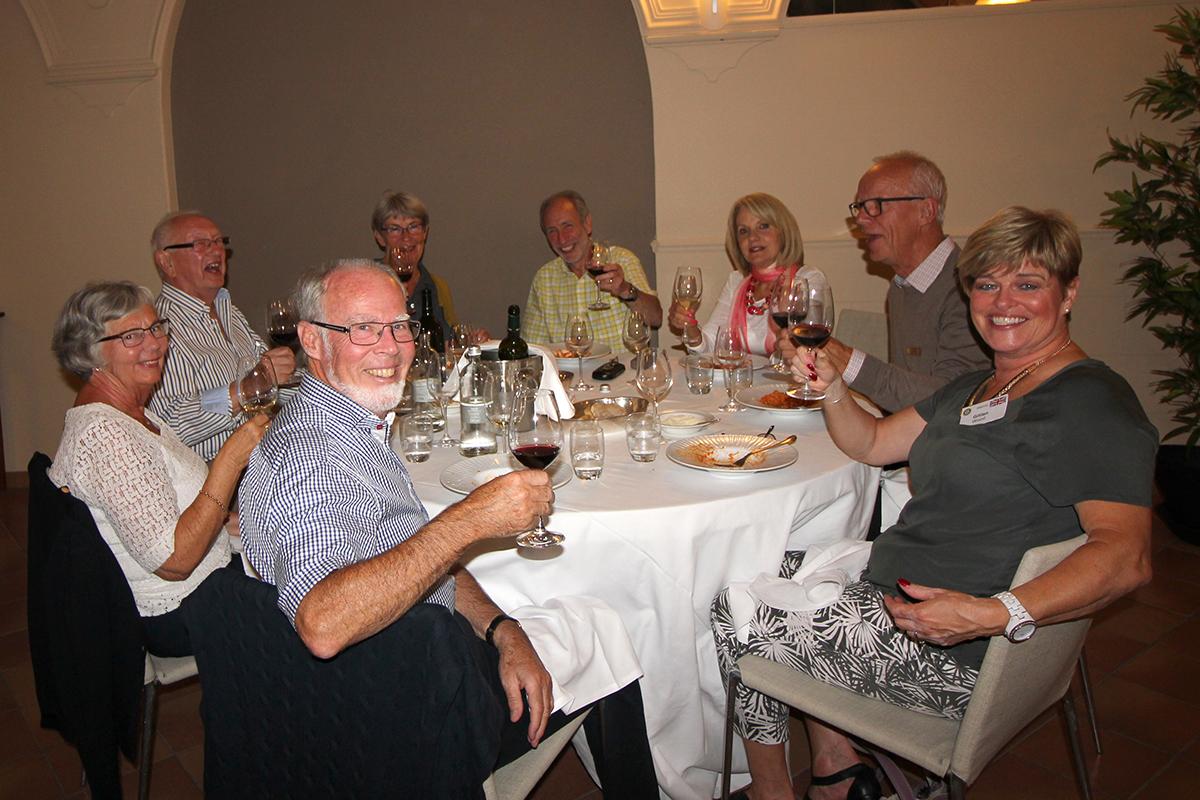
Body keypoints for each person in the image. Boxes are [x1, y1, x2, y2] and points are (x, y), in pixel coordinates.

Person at [713, 207, 1157, 800]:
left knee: (734, 614)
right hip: (900, 587)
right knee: (745, 574)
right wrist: (834, 389)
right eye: (986, 283)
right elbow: (871, 442)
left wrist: (994, 612)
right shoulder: (981, 384)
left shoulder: (1091, 401)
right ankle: (838, 770)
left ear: (1069, 292)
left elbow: (1125, 556)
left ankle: (786, 790)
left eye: (1028, 284)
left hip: (957, 645)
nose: (1004, 301)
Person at [238, 259, 657, 797]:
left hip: (403, 676)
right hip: (398, 722)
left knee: (554, 621)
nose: (390, 348)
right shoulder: (311, 457)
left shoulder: (348, 426)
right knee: (599, 623)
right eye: (363, 328)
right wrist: (470, 520)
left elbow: (411, 555)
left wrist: (501, 630)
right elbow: (322, 625)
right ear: (312, 341)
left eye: (399, 326)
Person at [49, 281, 268, 656]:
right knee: (314, 601)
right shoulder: (105, 434)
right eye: (131, 336)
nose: (154, 344)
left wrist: (248, 523)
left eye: (155, 328)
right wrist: (231, 461)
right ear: (91, 354)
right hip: (180, 608)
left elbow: (178, 506)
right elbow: (175, 561)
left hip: (209, 577)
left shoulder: (134, 413)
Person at [785, 152, 990, 413]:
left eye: (876, 205)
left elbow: (952, 403)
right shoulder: (901, 286)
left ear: (926, 211)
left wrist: (849, 362)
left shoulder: (971, 289)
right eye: (859, 207)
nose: (860, 219)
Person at [148, 211, 294, 462]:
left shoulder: (229, 311)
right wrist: (244, 390)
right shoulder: (160, 327)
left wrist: (324, 377)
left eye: (219, 242)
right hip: (211, 481)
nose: (216, 251)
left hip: (263, 459)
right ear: (166, 261)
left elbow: (269, 385)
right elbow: (168, 423)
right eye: (200, 244)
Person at [668, 192, 827, 357]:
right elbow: (713, 345)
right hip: (742, 380)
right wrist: (689, 327)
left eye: (763, 226)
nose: (753, 237)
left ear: (783, 232)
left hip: (793, 380)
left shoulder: (807, 279)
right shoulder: (736, 280)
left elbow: (806, 346)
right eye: (743, 231)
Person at [523, 190, 662, 352]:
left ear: (587, 223)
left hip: (623, 373)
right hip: (570, 375)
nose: (561, 239)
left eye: (567, 226)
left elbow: (655, 318)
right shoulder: (544, 278)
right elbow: (533, 348)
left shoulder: (621, 260)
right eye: (552, 231)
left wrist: (624, 289)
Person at [372, 190, 483, 343]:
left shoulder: (437, 287)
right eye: (395, 229)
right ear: (379, 237)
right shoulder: (367, 284)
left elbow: (449, 342)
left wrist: (472, 339)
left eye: (413, 227)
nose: (406, 237)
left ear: (425, 233)